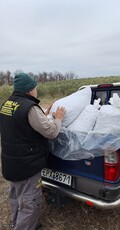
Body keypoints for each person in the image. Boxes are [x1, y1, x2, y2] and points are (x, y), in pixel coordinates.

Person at [0, 73, 65, 230]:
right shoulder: (30, 108)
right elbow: (51, 132)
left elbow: (20, 124)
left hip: (11, 162)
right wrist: (59, 119)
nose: (36, 90)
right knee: (30, 203)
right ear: (30, 90)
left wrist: (43, 115)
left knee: (16, 197)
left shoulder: (7, 104)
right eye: (35, 88)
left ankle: (17, 223)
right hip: (27, 166)